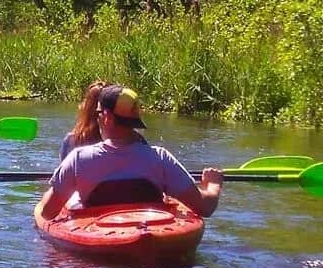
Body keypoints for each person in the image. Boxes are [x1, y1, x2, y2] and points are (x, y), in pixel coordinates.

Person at [38, 84, 224, 219]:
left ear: (108, 118)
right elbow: (205, 207)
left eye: (99, 113)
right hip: (152, 230)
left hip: (101, 241)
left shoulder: (78, 159)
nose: (98, 117)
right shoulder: (160, 157)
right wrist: (213, 185)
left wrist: (56, 185)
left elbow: (47, 213)